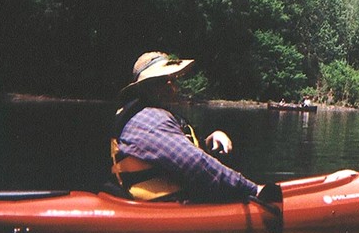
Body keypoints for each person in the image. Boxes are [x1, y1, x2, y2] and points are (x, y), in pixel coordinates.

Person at [110, 51, 262, 202]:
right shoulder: (149, 120)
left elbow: (180, 151)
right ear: (143, 88)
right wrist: (254, 190)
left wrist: (208, 141)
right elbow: (196, 165)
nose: (171, 85)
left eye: (172, 79)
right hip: (163, 211)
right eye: (161, 80)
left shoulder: (151, 115)